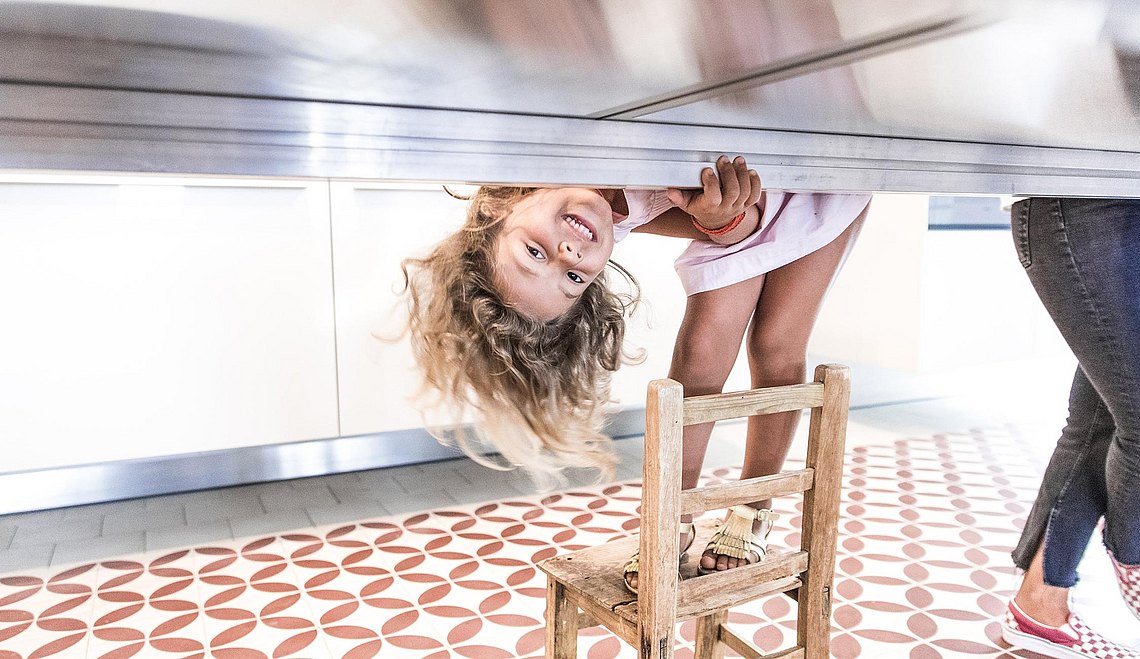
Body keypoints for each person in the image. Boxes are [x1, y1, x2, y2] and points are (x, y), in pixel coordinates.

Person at [400, 156, 869, 591]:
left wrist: (722, 220)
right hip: (751, 199)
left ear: (500, 205)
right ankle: (672, 521)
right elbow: (730, 231)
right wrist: (716, 218)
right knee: (703, 351)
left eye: (535, 253)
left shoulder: (548, 160)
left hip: (812, 187)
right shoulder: (605, 221)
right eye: (574, 279)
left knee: (776, 343)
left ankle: (753, 507)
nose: (566, 254)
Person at [1002, 197, 1140, 659]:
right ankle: (1135, 553)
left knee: (1099, 422)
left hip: (1118, 201)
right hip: (1085, 202)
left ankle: (1039, 606)